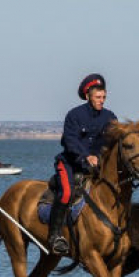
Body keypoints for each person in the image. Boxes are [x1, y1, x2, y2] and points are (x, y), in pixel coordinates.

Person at [48, 73, 118, 255]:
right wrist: (86, 156)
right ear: (88, 96)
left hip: (96, 167)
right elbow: (70, 142)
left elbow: (112, 143)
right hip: (70, 164)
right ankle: (54, 236)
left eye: (104, 97)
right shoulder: (74, 115)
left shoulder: (110, 117)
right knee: (67, 193)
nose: (101, 100)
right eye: (98, 97)